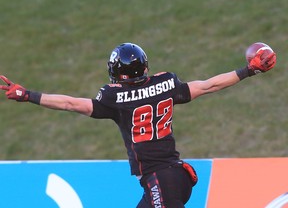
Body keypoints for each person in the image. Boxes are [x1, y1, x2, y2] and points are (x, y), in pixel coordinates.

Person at [0, 42, 276, 207]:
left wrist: (29, 96)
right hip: (175, 176)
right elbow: (209, 85)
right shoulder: (165, 83)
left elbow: (72, 103)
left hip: (160, 178)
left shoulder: (114, 97)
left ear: (116, 72)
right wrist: (248, 70)